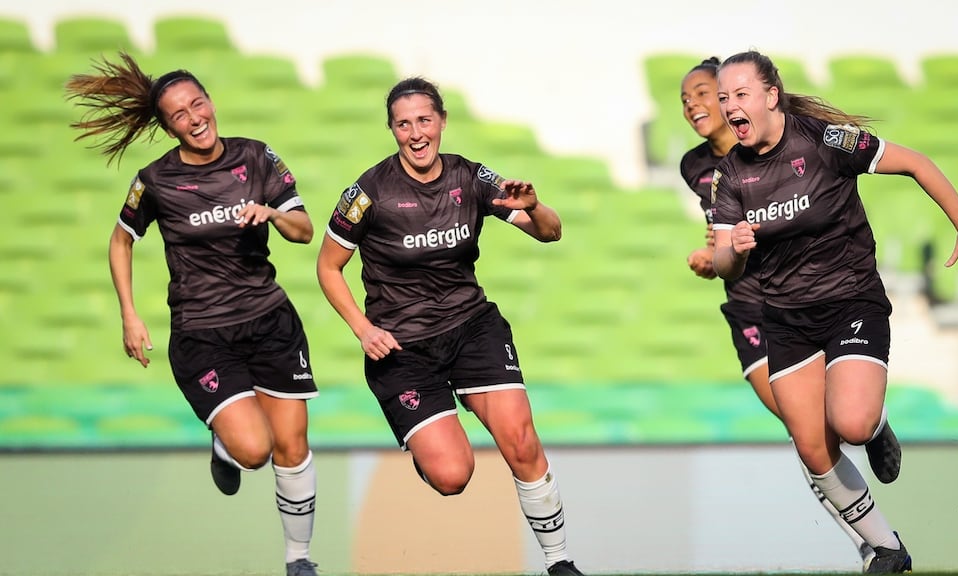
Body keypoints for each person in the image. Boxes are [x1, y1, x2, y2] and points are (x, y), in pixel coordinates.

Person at [711, 50, 958, 574]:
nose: (730, 106)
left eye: (741, 94)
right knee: (812, 449)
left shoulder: (826, 141)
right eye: (724, 97)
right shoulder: (729, 174)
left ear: (771, 96)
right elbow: (722, 264)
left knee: (850, 422)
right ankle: (888, 549)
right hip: (787, 319)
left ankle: (876, 424)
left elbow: (915, 162)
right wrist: (733, 247)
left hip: (850, 300)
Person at [316, 76, 585, 576]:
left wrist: (534, 206)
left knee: (521, 441)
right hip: (402, 349)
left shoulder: (472, 177)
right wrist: (362, 328)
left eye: (425, 120)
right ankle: (429, 451)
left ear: (441, 121)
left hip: (471, 328)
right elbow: (328, 266)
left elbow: (550, 233)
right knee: (452, 475)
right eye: (404, 124)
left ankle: (559, 562)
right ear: (392, 130)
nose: (416, 133)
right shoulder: (368, 192)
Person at [66, 52, 321, 576]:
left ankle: (299, 561)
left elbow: (304, 230)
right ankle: (225, 443)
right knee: (255, 450)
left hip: (271, 322)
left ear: (211, 102)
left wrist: (272, 214)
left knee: (292, 445)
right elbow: (120, 241)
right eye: (179, 114)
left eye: (197, 103)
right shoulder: (155, 180)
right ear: (168, 128)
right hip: (203, 333)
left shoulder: (256, 156)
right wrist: (129, 315)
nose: (194, 118)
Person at [679, 56, 879, 569]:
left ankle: (873, 429)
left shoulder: (793, 146)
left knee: (840, 423)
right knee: (807, 435)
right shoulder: (696, 166)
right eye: (686, 99)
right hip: (748, 307)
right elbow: (723, 234)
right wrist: (714, 257)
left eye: (705, 93)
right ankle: (867, 540)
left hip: (796, 300)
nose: (695, 104)